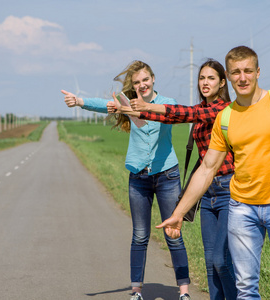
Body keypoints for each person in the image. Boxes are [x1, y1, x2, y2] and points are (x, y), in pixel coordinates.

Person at [156, 46, 270, 299]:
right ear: (228, 76)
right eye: (236, 72)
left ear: (258, 72)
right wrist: (178, 214)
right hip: (242, 209)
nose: (243, 77)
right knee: (245, 289)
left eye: (248, 71)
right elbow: (207, 168)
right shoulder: (226, 117)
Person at [61, 60, 192, 300]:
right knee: (140, 235)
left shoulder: (167, 103)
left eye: (145, 80)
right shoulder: (127, 104)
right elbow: (106, 105)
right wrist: (79, 101)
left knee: (173, 232)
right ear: (132, 86)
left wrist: (140, 109)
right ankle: (136, 291)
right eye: (137, 82)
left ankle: (183, 292)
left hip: (167, 175)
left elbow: (172, 114)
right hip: (139, 176)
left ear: (153, 79)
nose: (142, 85)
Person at [109, 59, 238, 300]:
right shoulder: (202, 107)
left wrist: (142, 109)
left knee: (221, 261)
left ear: (222, 82)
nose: (205, 83)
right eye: (202, 78)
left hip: (228, 188)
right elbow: (177, 119)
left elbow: (183, 113)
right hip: (207, 191)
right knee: (211, 262)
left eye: (211, 78)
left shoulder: (223, 109)